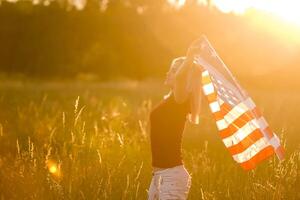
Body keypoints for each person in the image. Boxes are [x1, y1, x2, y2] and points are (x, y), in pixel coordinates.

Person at [147, 39, 203, 200]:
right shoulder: (170, 100)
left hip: (172, 177)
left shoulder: (181, 100)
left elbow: (180, 78)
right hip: (158, 176)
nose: (168, 73)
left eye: (172, 71)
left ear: (183, 76)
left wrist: (189, 56)